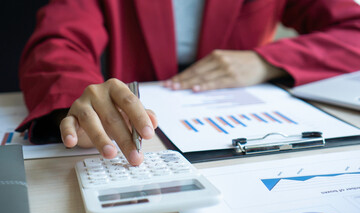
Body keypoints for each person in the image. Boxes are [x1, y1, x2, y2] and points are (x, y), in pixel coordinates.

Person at [17, 0, 360, 165]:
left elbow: (352, 30)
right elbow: (58, 42)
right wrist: (79, 101)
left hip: (244, 137)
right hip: (147, 134)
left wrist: (265, 61)